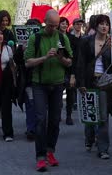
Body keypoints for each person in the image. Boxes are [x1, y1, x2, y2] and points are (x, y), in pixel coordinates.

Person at [25, 9, 73, 172]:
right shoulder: (35, 38)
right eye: (51, 25)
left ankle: (50, 151)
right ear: (44, 22)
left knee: (54, 120)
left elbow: (69, 62)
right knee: (40, 120)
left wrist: (61, 58)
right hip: (39, 84)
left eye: (56, 25)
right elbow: (28, 62)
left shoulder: (62, 37)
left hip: (58, 84)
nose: (53, 28)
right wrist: (45, 57)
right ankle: (40, 157)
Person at [77, 14, 112, 160]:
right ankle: (89, 138)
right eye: (101, 24)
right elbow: (80, 63)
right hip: (90, 80)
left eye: (107, 24)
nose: (104, 26)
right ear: (96, 26)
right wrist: (81, 83)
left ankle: (103, 148)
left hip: (104, 82)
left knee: (103, 117)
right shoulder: (87, 41)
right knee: (91, 114)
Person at [67, 17, 85, 124]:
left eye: (80, 24)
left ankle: (84, 112)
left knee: (82, 89)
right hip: (71, 66)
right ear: (73, 25)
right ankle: (69, 115)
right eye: (77, 24)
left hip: (81, 66)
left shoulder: (84, 37)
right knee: (70, 91)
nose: (79, 26)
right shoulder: (69, 37)